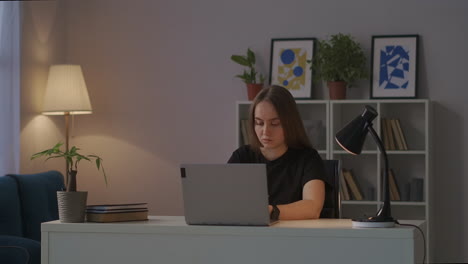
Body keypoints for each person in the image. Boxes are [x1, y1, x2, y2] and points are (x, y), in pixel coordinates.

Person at [228, 85, 328, 220]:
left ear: (290, 123)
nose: (265, 131)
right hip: (249, 236)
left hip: (293, 237)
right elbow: (225, 201)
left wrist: (270, 211)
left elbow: (312, 208)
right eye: (259, 123)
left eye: (274, 123)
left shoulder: (308, 158)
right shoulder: (242, 156)